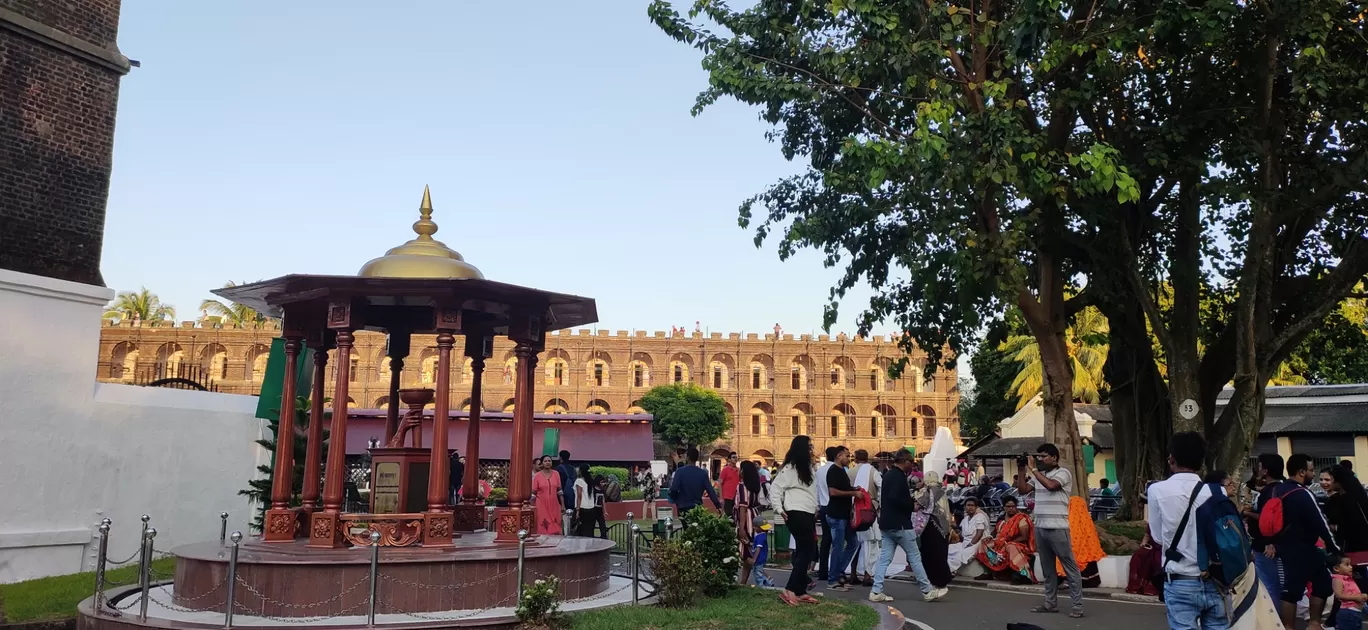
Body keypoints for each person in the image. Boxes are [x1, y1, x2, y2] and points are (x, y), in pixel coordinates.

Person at [1147, 432, 1227, 629]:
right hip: (1215, 581)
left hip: (1179, 580)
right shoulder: (1218, 491)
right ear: (1201, 460)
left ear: (1171, 459)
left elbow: (1157, 537)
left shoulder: (1156, 490)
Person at [1272, 453, 1341, 630]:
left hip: (1285, 546)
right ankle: (1313, 623)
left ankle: (1291, 626)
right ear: (1302, 472)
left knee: (1294, 588)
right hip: (1303, 548)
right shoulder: (1302, 493)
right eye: (1311, 470)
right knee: (1320, 585)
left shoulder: (1278, 490)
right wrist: (1335, 548)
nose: (1313, 474)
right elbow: (1321, 523)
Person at [869, 448, 946, 603]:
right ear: (904, 461)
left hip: (887, 523)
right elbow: (896, 498)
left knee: (884, 558)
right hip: (901, 524)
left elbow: (893, 496)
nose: (913, 464)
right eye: (911, 461)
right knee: (915, 557)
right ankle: (927, 590)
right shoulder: (898, 477)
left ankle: (876, 590)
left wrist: (911, 491)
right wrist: (912, 505)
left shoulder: (889, 475)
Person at [1016, 443, 1083, 618]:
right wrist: (1022, 469)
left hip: (1058, 527)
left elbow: (1052, 486)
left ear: (1054, 458)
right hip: (1040, 527)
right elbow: (1022, 490)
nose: (1040, 459)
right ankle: (1050, 603)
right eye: (1038, 456)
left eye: (1044, 456)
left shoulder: (1063, 473)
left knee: (1070, 567)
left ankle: (1077, 606)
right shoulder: (1039, 475)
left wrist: (1033, 470)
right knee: (1048, 569)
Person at [773, 435, 821, 606]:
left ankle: (800, 591)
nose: (811, 449)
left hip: (807, 513)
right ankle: (790, 589)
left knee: (803, 550)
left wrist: (816, 508)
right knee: (807, 550)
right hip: (795, 512)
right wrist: (779, 509)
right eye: (808, 447)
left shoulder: (807, 468)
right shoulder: (790, 469)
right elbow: (776, 488)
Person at [1246, 453, 1286, 599]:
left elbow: (1266, 519)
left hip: (1265, 545)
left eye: (1260, 465)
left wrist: (1247, 513)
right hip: (1274, 543)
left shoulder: (1269, 492)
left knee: (1268, 585)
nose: (1258, 468)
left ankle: (1273, 618)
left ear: (1265, 470)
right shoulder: (1282, 488)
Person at [824, 446, 862, 591]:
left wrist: (853, 488)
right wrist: (853, 494)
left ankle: (839, 571)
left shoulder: (842, 471)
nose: (849, 458)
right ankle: (832, 579)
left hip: (844, 515)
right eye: (847, 456)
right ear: (839, 456)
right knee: (838, 547)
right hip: (836, 515)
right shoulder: (833, 471)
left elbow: (843, 487)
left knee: (853, 543)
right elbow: (833, 492)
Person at [976, 496, 1037, 584]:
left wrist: (1006, 542)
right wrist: (989, 537)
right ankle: (988, 572)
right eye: (1008, 506)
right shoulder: (1001, 519)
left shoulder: (1021, 518)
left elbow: (1024, 537)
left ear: (1016, 507)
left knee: (1011, 547)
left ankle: (1021, 576)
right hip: (1001, 542)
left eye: (1013, 506)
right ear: (1004, 507)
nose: (1011, 508)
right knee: (984, 543)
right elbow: (996, 532)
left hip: (1019, 545)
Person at [735, 461, 768, 586]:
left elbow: (742, 507)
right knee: (748, 550)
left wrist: (742, 527)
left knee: (744, 552)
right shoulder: (755, 486)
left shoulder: (742, 487)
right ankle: (743, 581)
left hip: (747, 520)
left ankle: (765, 576)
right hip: (754, 516)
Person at [851, 449, 882, 585]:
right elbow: (882, 486)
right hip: (869, 510)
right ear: (867, 458)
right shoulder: (872, 472)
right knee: (871, 542)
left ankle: (852, 573)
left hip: (853, 511)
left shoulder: (849, 471)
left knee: (854, 543)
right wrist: (878, 503)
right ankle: (867, 574)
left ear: (856, 459)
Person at [918, 476, 954, 589]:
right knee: (940, 552)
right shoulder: (941, 491)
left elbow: (922, 503)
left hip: (933, 525)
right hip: (942, 526)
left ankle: (936, 578)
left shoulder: (932, 491)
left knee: (931, 553)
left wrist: (918, 491)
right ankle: (941, 577)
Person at [669, 446, 722, 516]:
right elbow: (710, 490)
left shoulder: (680, 471)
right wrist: (718, 505)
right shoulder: (703, 473)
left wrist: (675, 499)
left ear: (687, 458)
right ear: (696, 459)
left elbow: (674, 489)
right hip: (697, 507)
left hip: (683, 506)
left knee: (685, 526)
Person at [815, 446, 838, 581]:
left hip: (823, 506)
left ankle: (822, 570)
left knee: (825, 540)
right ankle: (835, 571)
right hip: (835, 507)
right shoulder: (837, 470)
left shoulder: (820, 471)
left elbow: (817, 490)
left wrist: (817, 507)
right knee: (838, 541)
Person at [948, 497, 989, 573]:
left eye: (972, 505)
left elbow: (979, 534)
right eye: (968, 505)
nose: (970, 507)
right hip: (965, 543)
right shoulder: (965, 519)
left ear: (976, 507)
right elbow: (962, 534)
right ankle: (948, 570)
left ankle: (951, 571)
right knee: (949, 549)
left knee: (961, 554)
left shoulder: (980, 517)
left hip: (977, 543)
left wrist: (970, 544)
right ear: (964, 507)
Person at [530, 455, 564, 535]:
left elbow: (560, 491)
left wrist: (562, 505)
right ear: (542, 463)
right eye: (545, 461)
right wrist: (532, 507)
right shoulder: (537, 476)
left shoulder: (556, 474)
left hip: (554, 504)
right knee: (543, 528)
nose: (548, 463)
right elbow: (533, 494)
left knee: (556, 527)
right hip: (541, 505)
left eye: (549, 461)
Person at [1333, 554, 1367, 630]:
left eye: (1350, 564)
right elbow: (1339, 595)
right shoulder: (1337, 580)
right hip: (1348, 613)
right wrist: (1356, 597)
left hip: (1357, 612)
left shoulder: (1348, 578)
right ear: (1336, 568)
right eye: (1347, 565)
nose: (1351, 567)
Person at [573, 464, 600, 537]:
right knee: (589, 530)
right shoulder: (590, 481)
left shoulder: (579, 481)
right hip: (591, 508)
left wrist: (577, 511)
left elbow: (579, 496)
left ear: (580, 471)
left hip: (582, 507)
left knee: (580, 531)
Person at [719, 453, 742, 518]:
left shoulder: (739, 470)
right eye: (733, 457)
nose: (735, 459)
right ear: (729, 459)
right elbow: (720, 483)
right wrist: (721, 497)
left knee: (736, 515)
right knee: (728, 516)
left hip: (737, 496)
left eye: (736, 457)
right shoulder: (725, 470)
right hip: (727, 497)